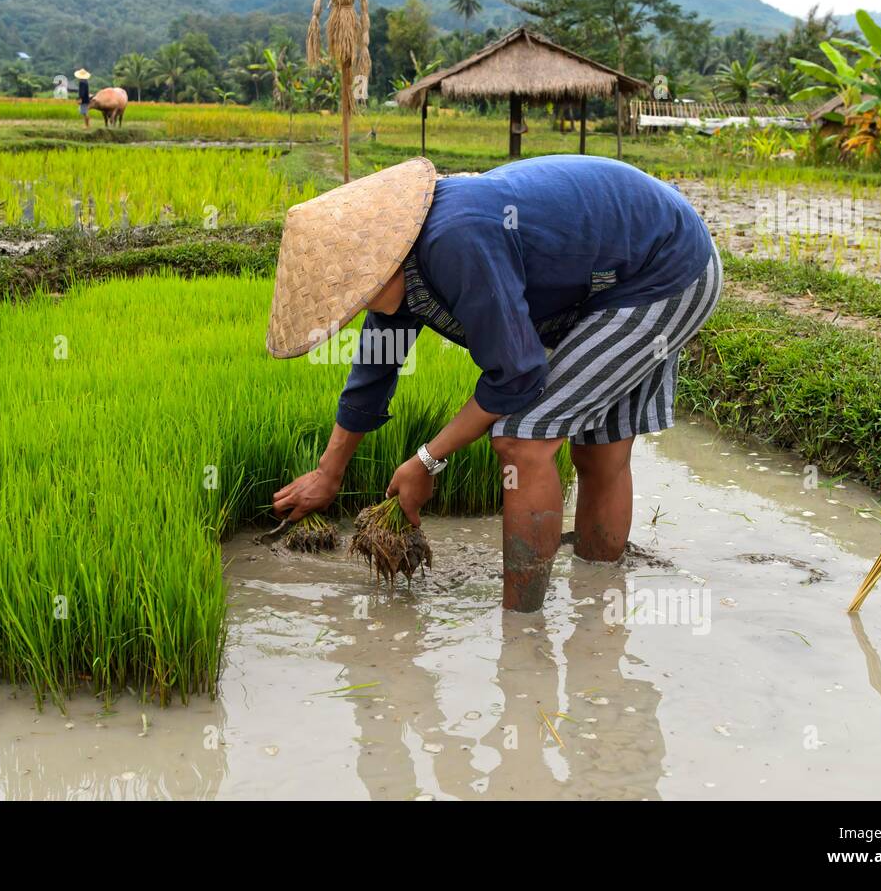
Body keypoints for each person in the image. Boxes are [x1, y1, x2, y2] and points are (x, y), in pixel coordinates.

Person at [268, 154, 721, 613]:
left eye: (348, 301)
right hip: (615, 272)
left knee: (522, 441)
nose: (349, 312)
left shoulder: (454, 241)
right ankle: (598, 603)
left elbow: (518, 375)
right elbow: (373, 375)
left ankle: (521, 628)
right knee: (597, 444)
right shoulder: (396, 271)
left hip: (665, 269)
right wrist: (329, 474)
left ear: (371, 269)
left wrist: (427, 461)